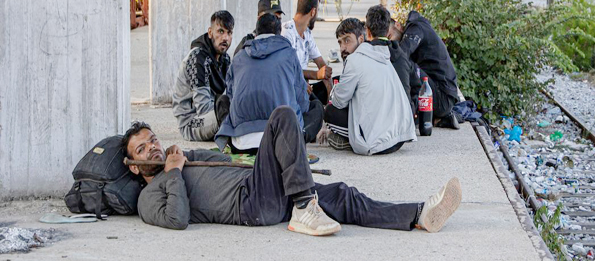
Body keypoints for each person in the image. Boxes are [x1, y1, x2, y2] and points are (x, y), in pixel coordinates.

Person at [122, 111, 462, 234]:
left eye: (153, 140)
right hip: (251, 205)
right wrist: (173, 173)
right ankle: (304, 207)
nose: (153, 148)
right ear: (135, 166)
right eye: (142, 149)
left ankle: (419, 215)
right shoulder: (148, 197)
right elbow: (177, 218)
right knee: (283, 116)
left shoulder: (182, 158)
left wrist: (288, 164)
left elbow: (228, 163)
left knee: (343, 195)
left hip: (266, 188)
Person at [215, 13, 323, 152]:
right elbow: (302, 102)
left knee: (221, 101)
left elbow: (231, 98)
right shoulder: (289, 54)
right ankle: (297, 141)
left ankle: (231, 141)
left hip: (241, 144)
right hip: (282, 145)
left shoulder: (239, 57)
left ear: (256, 33)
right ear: (279, 33)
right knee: (317, 107)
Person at [318, 18, 417, 155]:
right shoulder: (381, 53)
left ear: (361, 39)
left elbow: (339, 102)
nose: (342, 48)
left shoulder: (355, 60)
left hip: (379, 142)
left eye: (347, 40)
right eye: (340, 42)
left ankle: (349, 140)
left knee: (330, 112)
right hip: (399, 137)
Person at [388, 11, 460, 129]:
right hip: (439, 96)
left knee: (404, 64)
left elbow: (401, 55)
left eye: (390, 36)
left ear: (398, 25)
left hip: (442, 97)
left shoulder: (416, 28)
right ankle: (434, 118)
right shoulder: (417, 28)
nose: (391, 42)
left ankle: (409, 115)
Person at [172, 11, 234, 142]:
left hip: (213, 116)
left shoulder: (225, 59)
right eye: (221, 31)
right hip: (192, 123)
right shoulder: (197, 58)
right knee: (228, 109)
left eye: (229, 33)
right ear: (210, 32)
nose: (225, 38)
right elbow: (203, 108)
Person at [364, 5, 421, 113]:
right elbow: (417, 88)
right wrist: (411, 109)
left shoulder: (361, 57)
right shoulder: (401, 56)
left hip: (377, 118)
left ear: (368, 32)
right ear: (387, 30)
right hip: (404, 117)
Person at [282, 0, 333, 103]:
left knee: (337, 81)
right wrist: (316, 75)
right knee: (316, 106)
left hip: (304, 89)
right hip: (289, 91)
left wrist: (330, 97)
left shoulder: (307, 34)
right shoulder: (286, 32)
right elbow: (288, 69)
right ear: (313, 12)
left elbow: (321, 65)